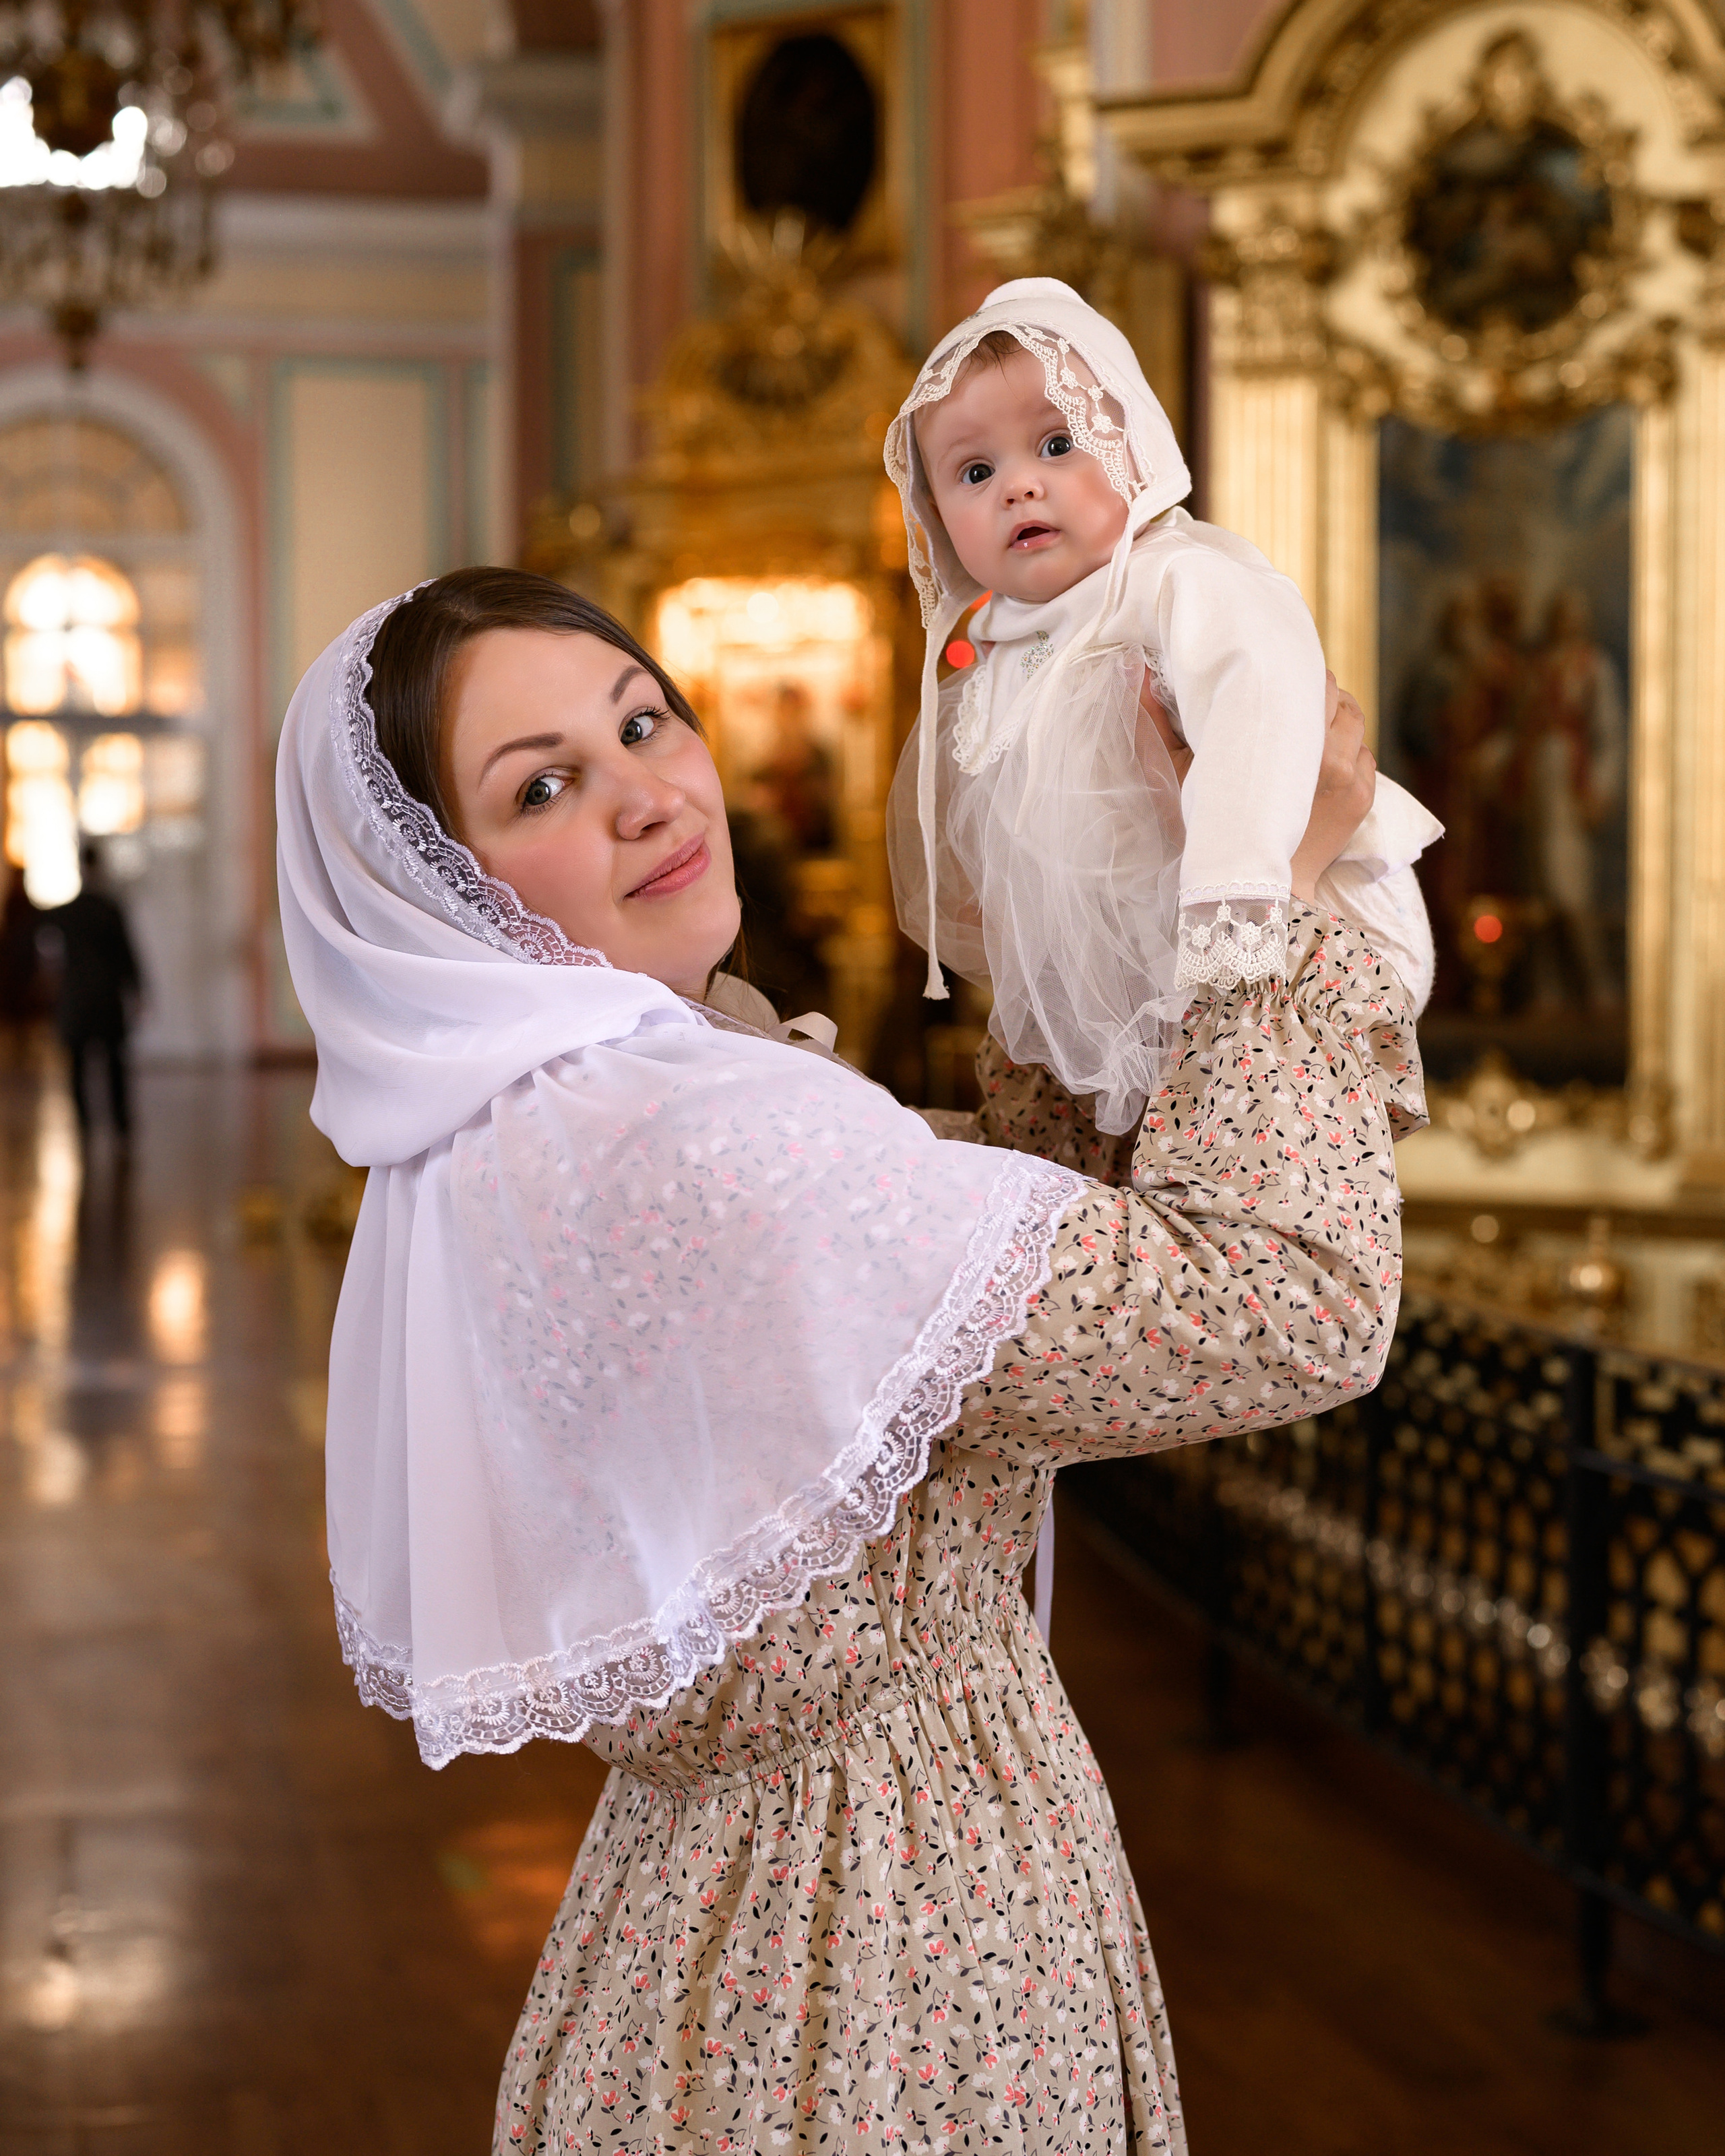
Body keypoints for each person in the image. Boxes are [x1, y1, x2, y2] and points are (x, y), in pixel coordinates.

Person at [276, 567, 1424, 2156]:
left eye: (639, 723)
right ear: (440, 888)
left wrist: (1068, 890)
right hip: (885, 1946)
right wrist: (1267, 897)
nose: (642, 797)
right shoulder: (706, 1144)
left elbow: (994, 1271)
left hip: (712, 1918)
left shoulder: (557, 1116)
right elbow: (1283, 1301)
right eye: (541, 783)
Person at [885, 278, 1441, 1138]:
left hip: (1302, 904)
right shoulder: (1003, 644)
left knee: (1288, 1112)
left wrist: (1234, 898)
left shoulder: (1179, 576)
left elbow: (1258, 702)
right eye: (974, 470)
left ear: (1138, 445)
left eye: (1058, 441)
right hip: (1158, 981)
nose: (1018, 488)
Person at [45, 842, 142, 1141]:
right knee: (114, 1065)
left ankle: (84, 1126)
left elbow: (42, 947)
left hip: (76, 999)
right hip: (106, 998)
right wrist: (138, 992)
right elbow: (128, 955)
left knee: (77, 1068)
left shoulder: (66, 912)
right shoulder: (110, 909)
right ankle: (121, 1126)